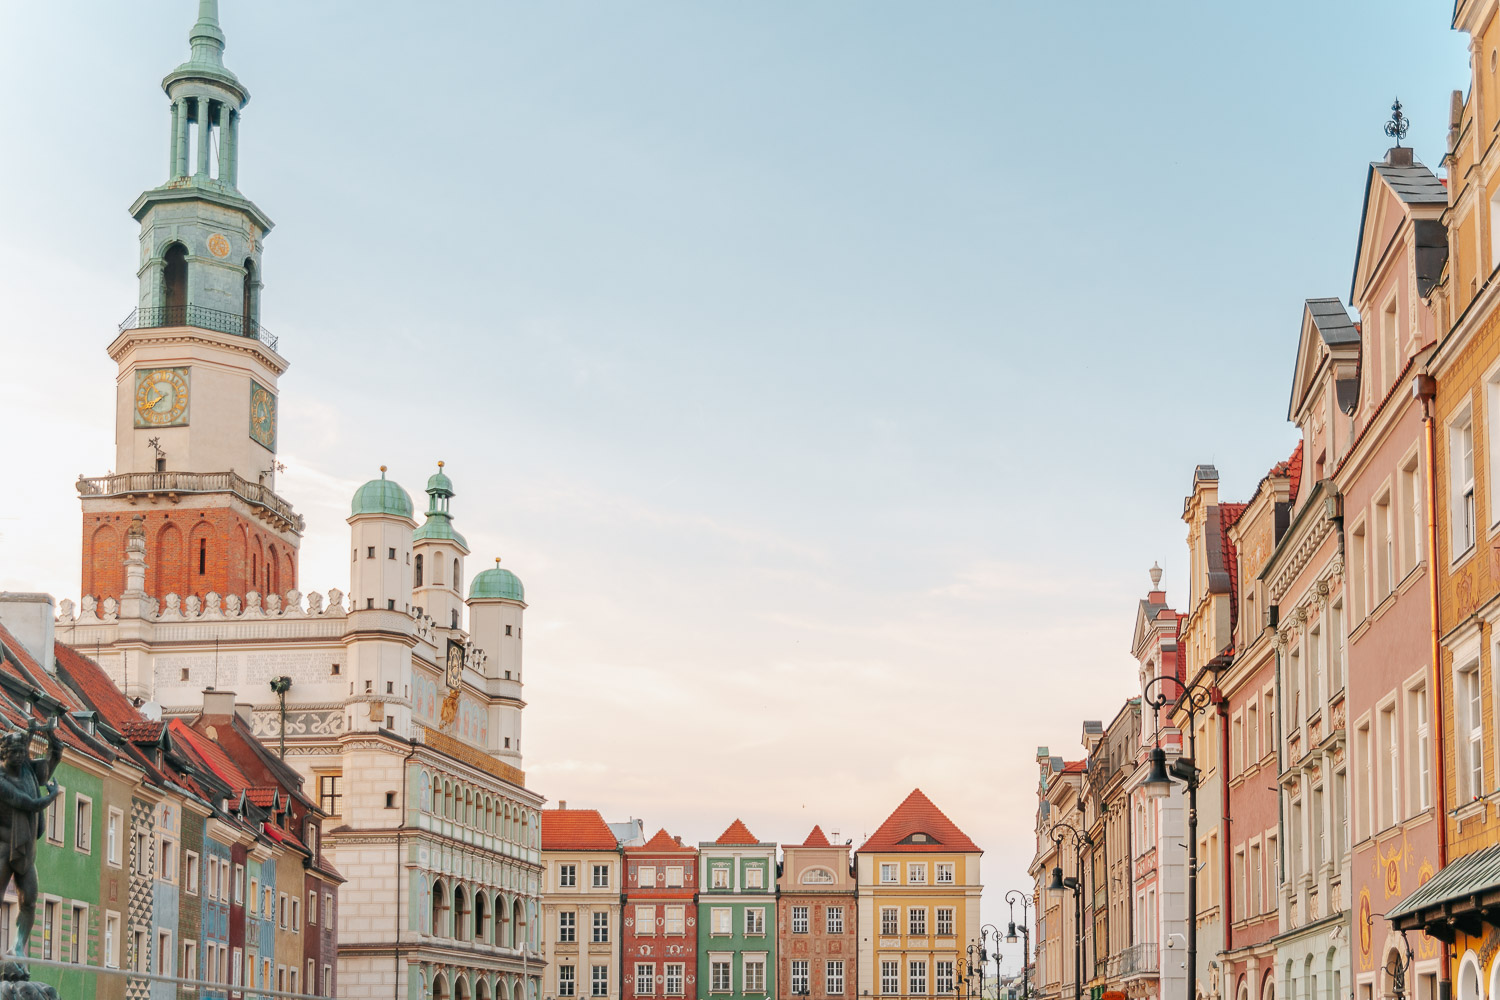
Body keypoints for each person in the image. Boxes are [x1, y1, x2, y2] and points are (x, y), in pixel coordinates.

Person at [0, 720, 62, 958]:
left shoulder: (28, 771)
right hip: (3, 847)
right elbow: (30, 804)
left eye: (21, 752)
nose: (19, 756)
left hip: (27, 849)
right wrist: (53, 795)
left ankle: (18, 948)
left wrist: (51, 736)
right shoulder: (1, 781)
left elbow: (54, 757)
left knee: (29, 900)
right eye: (13, 753)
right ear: (3, 753)